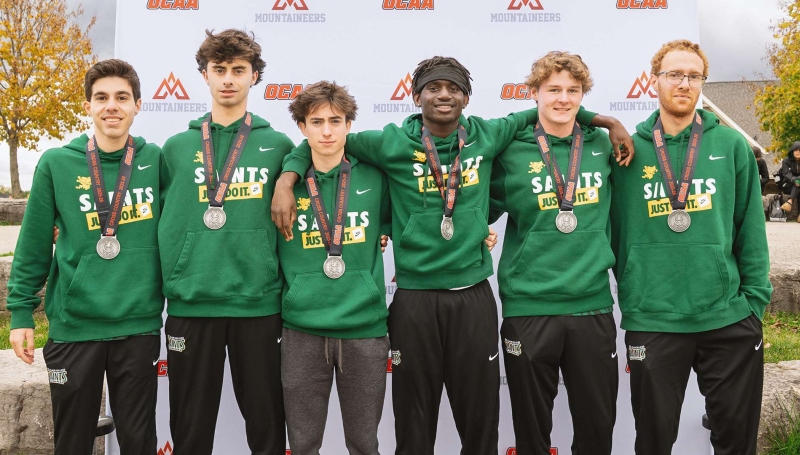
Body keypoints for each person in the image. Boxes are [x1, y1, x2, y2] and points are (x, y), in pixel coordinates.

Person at [272, 56, 633, 455]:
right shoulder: (389, 142)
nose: (444, 95)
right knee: (414, 420)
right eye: (433, 87)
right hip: (414, 299)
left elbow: (549, 107)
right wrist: (287, 179)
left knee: (480, 421)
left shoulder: (489, 134)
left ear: (466, 97)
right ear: (416, 96)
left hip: (473, 294)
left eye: (454, 88)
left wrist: (605, 121)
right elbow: (323, 141)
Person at [610, 39, 772, 455]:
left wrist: (754, 304)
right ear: (653, 81)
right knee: (653, 441)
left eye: (694, 76)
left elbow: (750, 228)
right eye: (674, 74)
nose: (684, 83)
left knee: (736, 442)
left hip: (727, 318)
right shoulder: (625, 151)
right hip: (654, 316)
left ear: (702, 82)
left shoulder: (731, 145)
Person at [7, 59, 163, 454]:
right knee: (73, 443)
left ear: (137, 105)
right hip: (75, 327)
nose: (112, 106)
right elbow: (34, 243)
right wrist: (22, 313)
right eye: (102, 97)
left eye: (121, 97)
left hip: (138, 324)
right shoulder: (56, 163)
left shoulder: (156, 161)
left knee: (139, 442)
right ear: (89, 106)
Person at [158, 29, 293, 454]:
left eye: (239, 70)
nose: (229, 79)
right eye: (219, 70)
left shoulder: (279, 145)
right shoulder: (176, 149)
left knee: (267, 425)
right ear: (205, 75)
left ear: (255, 77)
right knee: (190, 428)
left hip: (258, 303)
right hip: (192, 303)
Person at [489, 51, 621, 455]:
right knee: (531, 434)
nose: (563, 99)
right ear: (534, 93)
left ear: (584, 96)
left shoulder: (603, 144)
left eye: (573, 91)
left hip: (592, 307)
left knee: (597, 430)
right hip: (529, 307)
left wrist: (608, 122)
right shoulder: (511, 149)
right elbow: (473, 205)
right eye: (553, 90)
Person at [278, 80, 391, 455]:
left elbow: (412, 221)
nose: (327, 130)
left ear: (348, 125)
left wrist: (480, 233)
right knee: (303, 444)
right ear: (302, 128)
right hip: (302, 332)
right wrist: (286, 177)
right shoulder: (281, 184)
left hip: (365, 331)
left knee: (363, 443)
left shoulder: (376, 177)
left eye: (336, 121)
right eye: (316, 122)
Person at [779, 141, 800, 219]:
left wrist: (798, 180)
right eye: (796, 150)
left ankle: (790, 201)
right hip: (787, 185)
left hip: (798, 184)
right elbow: (786, 173)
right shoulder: (786, 161)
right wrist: (794, 180)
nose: (798, 152)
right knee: (797, 184)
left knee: (798, 185)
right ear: (792, 151)